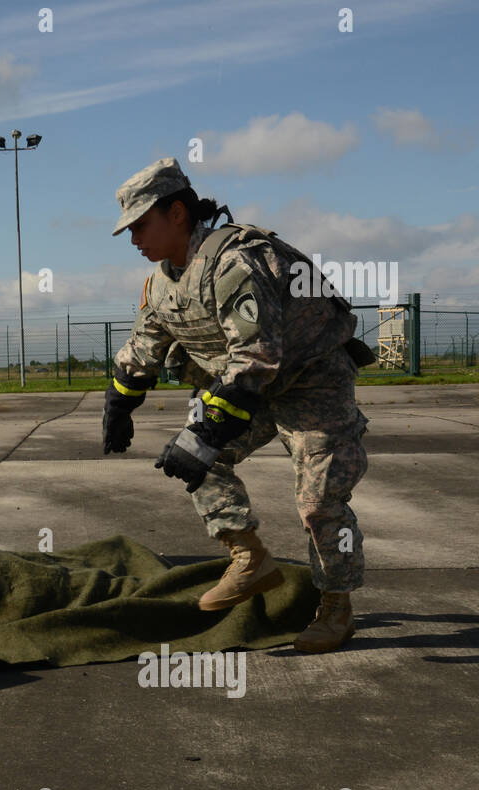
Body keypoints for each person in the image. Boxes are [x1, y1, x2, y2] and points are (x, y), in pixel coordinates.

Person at [103, 157, 371, 654]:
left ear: (177, 213)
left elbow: (256, 358)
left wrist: (206, 431)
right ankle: (249, 560)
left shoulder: (234, 263)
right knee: (196, 459)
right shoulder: (164, 280)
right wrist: (121, 399)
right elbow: (147, 341)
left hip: (310, 381)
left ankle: (336, 607)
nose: (134, 239)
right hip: (249, 387)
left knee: (318, 502)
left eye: (141, 225)